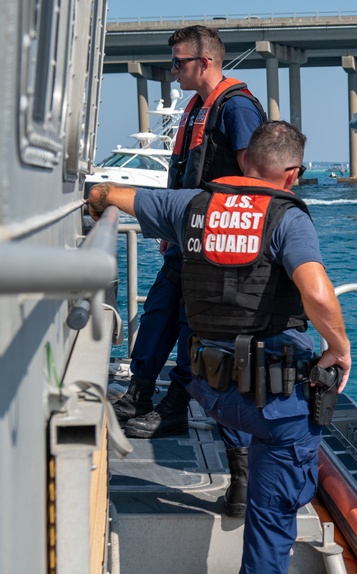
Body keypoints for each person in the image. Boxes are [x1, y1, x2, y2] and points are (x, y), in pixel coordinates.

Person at [88, 121, 351, 574]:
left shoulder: (190, 204)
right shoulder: (288, 218)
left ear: (245, 160)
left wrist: (97, 207)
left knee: (228, 364)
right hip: (270, 403)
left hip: (209, 384)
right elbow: (318, 292)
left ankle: (241, 468)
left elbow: (104, 193)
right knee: (269, 529)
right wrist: (339, 347)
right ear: (292, 174)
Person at [114, 24, 265, 443]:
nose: (172, 70)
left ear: (205, 62)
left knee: (190, 325)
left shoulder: (236, 109)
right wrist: (169, 226)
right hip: (184, 238)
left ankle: (175, 407)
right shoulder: (198, 106)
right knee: (158, 313)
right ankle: (137, 395)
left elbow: (254, 177)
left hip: (213, 244)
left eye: (178, 62)